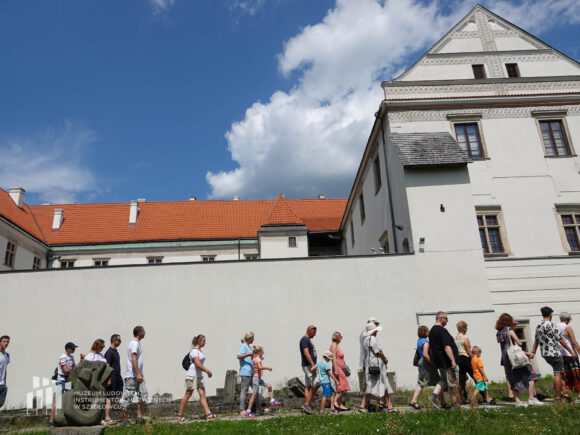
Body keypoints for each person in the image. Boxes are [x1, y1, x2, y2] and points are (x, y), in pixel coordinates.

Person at [531, 306, 577, 402]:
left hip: (545, 354)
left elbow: (536, 341)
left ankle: (563, 393)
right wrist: (571, 351)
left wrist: (533, 352)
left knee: (558, 373)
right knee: (558, 374)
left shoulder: (538, 326)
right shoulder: (551, 326)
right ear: (550, 314)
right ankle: (558, 396)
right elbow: (561, 340)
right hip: (555, 353)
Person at [495, 313, 541, 407]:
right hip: (515, 357)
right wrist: (520, 342)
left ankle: (518, 401)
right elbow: (519, 343)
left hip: (506, 357)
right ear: (508, 321)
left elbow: (505, 346)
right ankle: (531, 398)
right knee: (530, 375)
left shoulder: (499, 333)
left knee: (512, 378)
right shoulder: (509, 329)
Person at [359, 322, 398, 414]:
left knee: (372, 385)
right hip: (376, 364)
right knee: (383, 383)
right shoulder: (372, 339)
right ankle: (389, 407)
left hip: (370, 363)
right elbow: (378, 351)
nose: (376, 332)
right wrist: (385, 359)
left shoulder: (365, 340)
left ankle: (389, 406)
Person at [177, 334, 215, 421]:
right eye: (203, 341)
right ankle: (179, 415)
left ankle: (208, 414)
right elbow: (197, 364)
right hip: (192, 375)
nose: (205, 342)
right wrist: (207, 371)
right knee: (188, 394)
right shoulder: (194, 351)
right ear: (199, 341)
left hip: (199, 376)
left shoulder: (200, 351)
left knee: (202, 394)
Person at [428, 311, 459, 409]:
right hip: (447, 361)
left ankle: (433, 396)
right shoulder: (441, 330)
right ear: (441, 318)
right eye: (446, 318)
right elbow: (447, 346)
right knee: (452, 382)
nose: (447, 321)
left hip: (440, 361)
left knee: (444, 380)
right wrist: (453, 360)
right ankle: (455, 404)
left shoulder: (432, 331)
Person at [120, 326, 148, 425]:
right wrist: (138, 374)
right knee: (128, 397)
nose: (145, 332)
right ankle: (124, 419)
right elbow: (133, 359)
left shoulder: (137, 343)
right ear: (140, 332)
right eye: (144, 330)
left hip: (138, 375)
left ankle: (139, 417)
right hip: (132, 375)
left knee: (143, 395)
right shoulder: (134, 343)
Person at [244, 346, 281, 417]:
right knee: (254, 395)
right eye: (262, 352)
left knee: (269, 386)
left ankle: (272, 400)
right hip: (256, 379)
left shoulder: (255, 358)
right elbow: (259, 367)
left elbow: (256, 362)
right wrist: (268, 368)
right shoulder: (258, 359)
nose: (263, 353)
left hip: (258, 378)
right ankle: (248, 411)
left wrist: (260, 359)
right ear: (259, 352)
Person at [409, 326, 440, 410]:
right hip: (426, 362)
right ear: (425, 332)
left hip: (420, 362)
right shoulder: (426, 342)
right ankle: (440, 401)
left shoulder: (419, 341)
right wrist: (432, 363)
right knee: (439, 381)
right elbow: (426, 354)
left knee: (421, 382)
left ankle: (414, 401)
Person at [49, 342, 78, 425]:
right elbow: (65, 370)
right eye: (72, 348)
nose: (74, 350)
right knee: (57, 400)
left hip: (68, 381)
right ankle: (51, 419)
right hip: (61, 380)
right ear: (68, 348)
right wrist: (72, 371)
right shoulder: (63, 357)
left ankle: (68, 418)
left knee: (69, 399)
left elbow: (74, 368)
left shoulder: (72, 357)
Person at [359, 317, 382, 411]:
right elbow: (376, 350)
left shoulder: (365, 334)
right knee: (371, 383)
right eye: (375, 324)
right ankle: (365, 405)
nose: (377, 326)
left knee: (370, 383)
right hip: (370, 362)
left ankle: (367, 404)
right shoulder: (368, 336)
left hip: (367, 361)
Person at [556, 312, 580, 400]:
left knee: (564, 374)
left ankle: (564, 393)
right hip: (570, 354)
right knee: (576, 374)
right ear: (567, 319)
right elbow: (573, 341)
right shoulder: (567, 327)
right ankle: (579, 393)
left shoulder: (555, 326)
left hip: (560, 353)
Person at [299, 325, 320, 414]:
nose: (314, 335)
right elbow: (306, 353)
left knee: (308, 386)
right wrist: (313, 365)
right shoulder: (305, 340)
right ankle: (307, 404)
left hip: (309, 365)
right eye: (313, 333)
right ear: (309, 330)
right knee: (317, 383)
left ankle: (308, 405)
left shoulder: (308, 340)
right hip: (308, 366)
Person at [104, 334, 123, 425]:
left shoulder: (116, 352)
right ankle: (107, 417)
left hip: (118, 376)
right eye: (119, 340)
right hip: (112, 376)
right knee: (110, 397)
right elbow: (107, 366)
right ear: (113, 340)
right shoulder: (109, 352)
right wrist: (108, 379)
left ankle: (104, 412)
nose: (120, 342)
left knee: (119, 395)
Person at [329, 331, 350, 411]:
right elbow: (333, 358)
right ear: (337, 337)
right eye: (341, 336)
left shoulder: (336, 345)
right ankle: (335, 402)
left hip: (340, 368)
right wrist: (336, 369)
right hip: (337, 368)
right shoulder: (334, 345)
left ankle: (340, 404)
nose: (342, 338)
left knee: (341, 387)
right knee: (343, 387)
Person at [455, 321, 473, 404]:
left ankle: (463, 398)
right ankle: (485, 396)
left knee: (462, 380)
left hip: (459, 359)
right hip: (465, 358)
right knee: (476, 376)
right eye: (466, 328)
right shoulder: (465, 338)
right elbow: (468, 351)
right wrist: (473, 359)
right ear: (464, 328)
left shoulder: (455, 338)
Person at [237, 331, 256, 416]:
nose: (254, 339)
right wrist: (249, 354)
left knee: (256, 389)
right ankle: (242, 409)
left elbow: (250, 357)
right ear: (250, 338)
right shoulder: (243, 346)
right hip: (245, 372)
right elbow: (238, 356)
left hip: (251, 371)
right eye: (253, 338)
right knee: (244, 390)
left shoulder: (249, 347)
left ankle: (259, 407)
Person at [0, 336, 10, 409]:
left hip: (3, 384)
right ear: (0, 342)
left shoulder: (7, 355)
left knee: (1, 403)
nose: (6, 343)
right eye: (4, 341)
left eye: (7, 342)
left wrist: (5, 382)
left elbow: (5, 369)